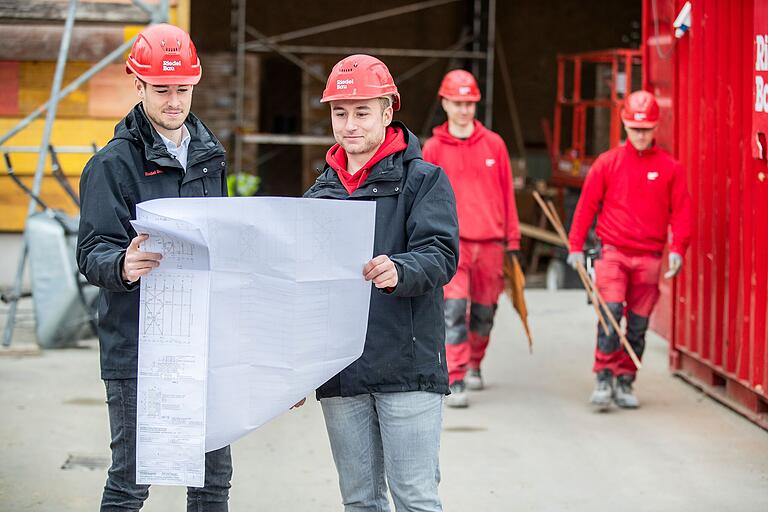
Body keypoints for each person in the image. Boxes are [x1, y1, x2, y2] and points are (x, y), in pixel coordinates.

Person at [77, 24, 232, 511]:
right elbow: (92, 250)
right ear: (137, 84)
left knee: (212, 479)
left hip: (201, 345)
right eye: (161, 90)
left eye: (182, 89)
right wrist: (122, 263)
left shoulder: (210, 157)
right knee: (131, 479)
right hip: (136, 346)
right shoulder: (112, 164)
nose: (173, 101)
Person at [302, 54, 459, 512]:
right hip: (342, 371)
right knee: (360, 501)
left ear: (388, 112)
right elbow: (305, 290)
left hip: (406, 366)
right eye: (340, 112)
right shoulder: (319, 194)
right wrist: (296, 368)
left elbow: (441, 255)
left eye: (362, 111)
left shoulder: (423, 181)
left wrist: (401, 270)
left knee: (414, 498)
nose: (349, 124)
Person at [567, 90, 692, 410]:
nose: (640, 135)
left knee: (637, 324)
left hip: (649, 256)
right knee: (610, 315)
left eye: (646, 129)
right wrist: (576, 246)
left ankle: (626, 379)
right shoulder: (607, 164)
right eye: (635, 128)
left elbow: (682, 212)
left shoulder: (670, 168)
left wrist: (678, 248)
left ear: (655, 128)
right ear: (624, 125)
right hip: (613, 253)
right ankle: (604, 376)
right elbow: (586, 206)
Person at [422, 69, 521, 408]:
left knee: (483, 313)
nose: (464, 109)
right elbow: (423, 198)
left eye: (470, 103)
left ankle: (476, 361)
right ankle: (457, 375)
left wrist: (514, 241)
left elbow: (507, 194)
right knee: (453, 309)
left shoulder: (495, 145)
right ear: (445, 103)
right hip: (453, 245)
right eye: (458, 102)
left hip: (491, 244)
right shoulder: (433, 149)